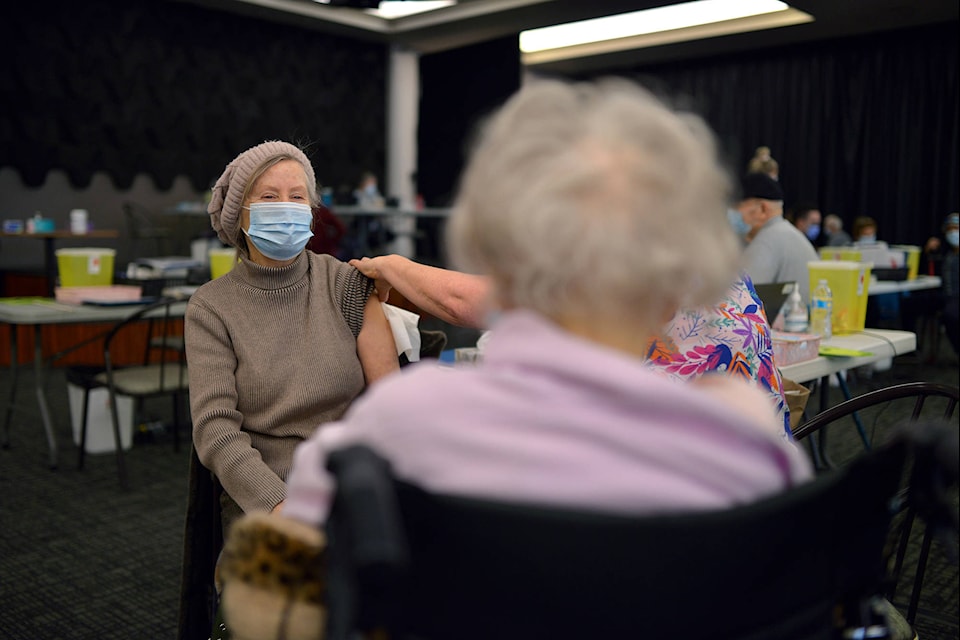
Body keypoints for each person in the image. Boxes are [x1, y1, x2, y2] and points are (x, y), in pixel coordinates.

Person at [185, 140, 400, 533]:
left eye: (297, 196)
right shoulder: (211, 308)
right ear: (240, 214)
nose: (286, 206)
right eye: (269, 196)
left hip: (352, 485)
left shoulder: (346, 284)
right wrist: (279, 505)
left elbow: (391, 401)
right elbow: (215, 428)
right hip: (266, 496)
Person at [351, 255, 793, 436]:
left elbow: (474, 301)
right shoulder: (720, 268)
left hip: (675, 526)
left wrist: (391, 266)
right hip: (766, 508)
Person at [736, 172, 820, 301]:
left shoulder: (766, 241)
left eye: (738, 207)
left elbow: (741, 300)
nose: (733, 214)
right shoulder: (788, 234)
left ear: (762, 209)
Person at [921, 212, 959, 356]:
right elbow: (926, 271)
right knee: (908, 304)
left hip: (956, 297)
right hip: (943, 295)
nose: (953, 232)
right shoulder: (946, 253)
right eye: (950, 229)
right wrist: (928, 252)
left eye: (956, 228)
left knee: (950, 315)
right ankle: (912, 351)